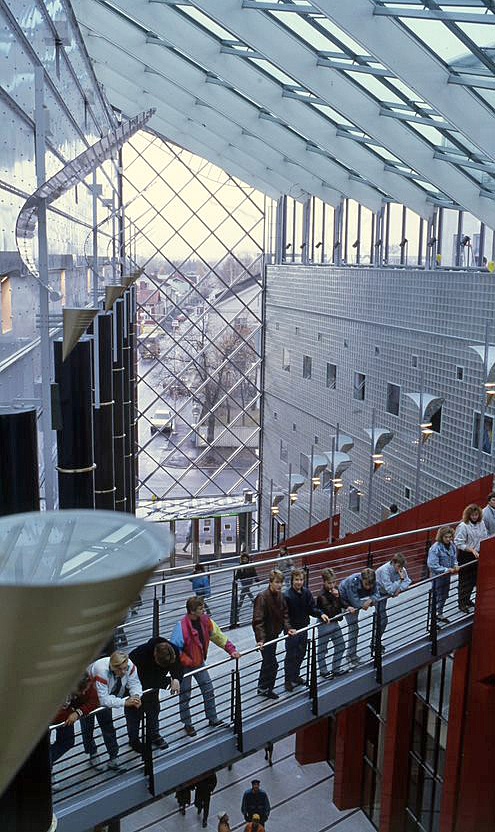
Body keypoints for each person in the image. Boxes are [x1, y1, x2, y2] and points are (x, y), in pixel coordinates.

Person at [170, 596, 240, 736]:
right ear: (192, 611)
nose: (204, 610)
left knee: (208, 689)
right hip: (185, 666)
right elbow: (174, 650)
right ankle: (187, 723)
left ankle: (212, 718)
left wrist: (232, 649)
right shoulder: (181, 627)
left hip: (199, 662)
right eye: (200, 608)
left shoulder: (206, 621)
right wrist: (187, 661)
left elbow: (218, 636)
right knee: (185, 695)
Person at [85, 652, 143, 770]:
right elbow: (103, 699)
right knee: (87, 727)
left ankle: (113, 757)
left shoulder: (129, 666)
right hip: (86, 696)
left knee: (108, 726)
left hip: (106, 693)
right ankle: (93, 753)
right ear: (112, 667)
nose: (123, 672)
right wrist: (124, 702)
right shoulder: (101, 671)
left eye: (125, 669)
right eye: (120, 669)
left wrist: (136, 696)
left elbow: (135, 683)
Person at [129, 636, 183, 749]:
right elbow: (145, 678)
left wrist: (177, 679)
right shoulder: (139, 654)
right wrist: (167, 681)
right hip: (135, 687)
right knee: (134, 715)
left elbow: (177, 665)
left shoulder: (173, 649)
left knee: (153, 710)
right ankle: (134, 741)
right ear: (155, 656)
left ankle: (153, 735)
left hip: (153, 689)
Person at [252, 569, 296, 699]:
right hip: (266, 637)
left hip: (273, 634)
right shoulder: (262, 597)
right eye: (277, 582)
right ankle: (266, 688)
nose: (279, 585)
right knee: (272, 663)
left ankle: (263, 687)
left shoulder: (280, 596)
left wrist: (288, 628)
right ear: (270, 582)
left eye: (281, 582)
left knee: (268, 662)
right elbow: (258, 620)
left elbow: (285, 615)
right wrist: (261, 639)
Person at [284, 567, 329, 691]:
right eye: (296, 579)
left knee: (301, 653)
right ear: (292, 580)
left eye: (301, 579)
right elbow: (285, 615)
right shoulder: (287, 595)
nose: (299, 582)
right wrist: (289, 629)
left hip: (303, 628)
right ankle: (287, 680)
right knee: (291, 655)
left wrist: (321, 613)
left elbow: (311, 608)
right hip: (292, 631)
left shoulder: (306, 593)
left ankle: (295, 676)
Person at [50, 672, 99, 765]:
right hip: (49, 720)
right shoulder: (55, 689)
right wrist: (71, 712)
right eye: (81, 690)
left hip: (66, 717)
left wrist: (78, 712)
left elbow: (94, 701)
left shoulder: (84, 683)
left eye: (86, 689)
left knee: (67, 742)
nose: (84, 692)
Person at [339, 569, 380, 665]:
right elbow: (355, 602)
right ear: (362, 579)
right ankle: (350, 656)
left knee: (355, 628)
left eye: (370, 585)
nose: (368, 587)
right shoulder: (352, 582)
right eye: (366, 584)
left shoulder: (372, 580)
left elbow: (377, 594)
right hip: (345, 601)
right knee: (354, 628)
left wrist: (370, 600)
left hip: (360, 598)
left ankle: (351, 654)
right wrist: (365, 603)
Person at [454, 504, 487, 612]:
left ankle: (467, 600)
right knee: (465, 580)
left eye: (476, 515)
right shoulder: (463, 526)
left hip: (478, 554)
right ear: (468, 515)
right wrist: (471, 550)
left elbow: (484, 536)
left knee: (473, 580)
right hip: (466, 555)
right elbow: (458, 543)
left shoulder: (481, 523)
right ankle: (461, 603)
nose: (474, 517)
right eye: (472, 515)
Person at [375, 554, 412, 649]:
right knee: (382, 619)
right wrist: (400, 580)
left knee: (380, 619)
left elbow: (408, 581)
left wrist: (398, 589)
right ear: (393, 563)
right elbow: (390, 590)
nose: (400, 569)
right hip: (377, 594)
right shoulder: (385, 571)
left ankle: (376, 641)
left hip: (385, 594)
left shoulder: (401, 569)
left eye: (402, 567)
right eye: (398, 566)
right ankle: (375, 642)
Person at [316, 568, 348, 678]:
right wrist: (336, 597)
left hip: (334, 623)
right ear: (324, 582)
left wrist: (347, 606)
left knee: (341, 646)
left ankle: (336, 669)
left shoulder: (335, 590)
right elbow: (331, 612)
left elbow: (342, 601)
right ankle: (323, 671)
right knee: (322, 650)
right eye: (329, 583)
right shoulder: (321, 596)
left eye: (334, 582)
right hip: (324, 625)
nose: (332, 585)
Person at [427, 526, 459, 624]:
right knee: (436, 596)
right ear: (441, 537)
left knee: (444, 595)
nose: (449, 539)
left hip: (447, 575)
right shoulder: (435, 548)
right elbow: (432, 565)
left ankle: (439, 614)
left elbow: (454, 557)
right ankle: (432, 618)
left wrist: (456, 564)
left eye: (450, 537)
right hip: (438, 576)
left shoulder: (452, 545)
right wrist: (446, 569)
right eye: (446, 537)